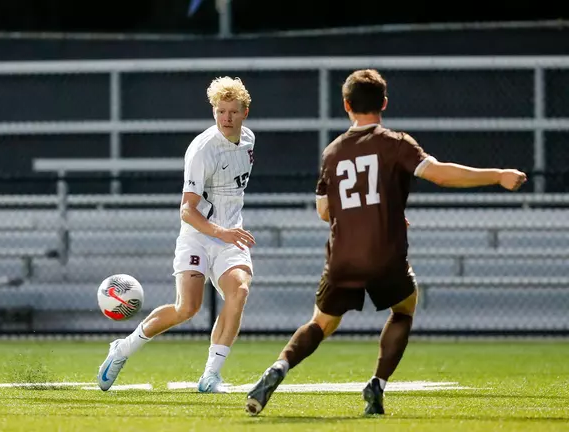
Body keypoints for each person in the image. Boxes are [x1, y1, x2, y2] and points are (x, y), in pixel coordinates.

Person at [245, 69, 527, 416]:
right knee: (404, 307)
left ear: (347, 105)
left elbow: (323, 211)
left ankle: (279, 368)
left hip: (343, 257)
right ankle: (377, 384)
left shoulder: (333, 152)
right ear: (385, 103)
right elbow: (439, 173)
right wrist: (497, 175)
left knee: (321, 323)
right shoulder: (396, 143)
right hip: (384, 255)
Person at [97, 76, 257, 393]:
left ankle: (211, 376)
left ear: (244, 113)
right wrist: (219, 232)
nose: (226, 118)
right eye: (220, 110)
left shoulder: (249, 139)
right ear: (213, 111)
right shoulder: (201, 150)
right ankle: (123, 349)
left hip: (229, 236)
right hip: (199, 234)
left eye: (232, 111)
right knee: (187, 308)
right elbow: (186, 210)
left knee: (239, 292)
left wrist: (227, 232)